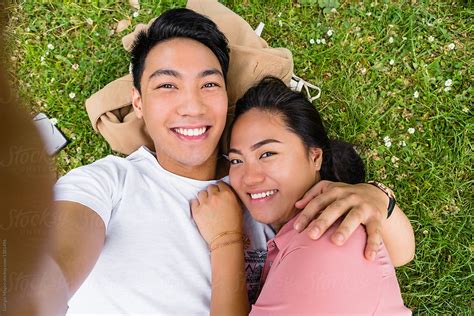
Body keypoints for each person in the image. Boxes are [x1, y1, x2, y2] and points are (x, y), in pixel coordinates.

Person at [46, 8, 413, 314]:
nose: (192, 106)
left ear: (226, 96)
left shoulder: (265, 197)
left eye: (209, 85)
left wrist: (376, 197)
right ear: (138, 102)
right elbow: (55, 263)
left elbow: (389, 254)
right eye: (166, 86)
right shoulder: (107, 183)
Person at [192, 77, 412, 315]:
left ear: (315, 157)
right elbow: (401, 253)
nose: (248, 178)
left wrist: (225, 240)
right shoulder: (314, 230)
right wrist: (377, 195)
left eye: (267, 154)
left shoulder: (323, 248)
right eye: (236, 160)